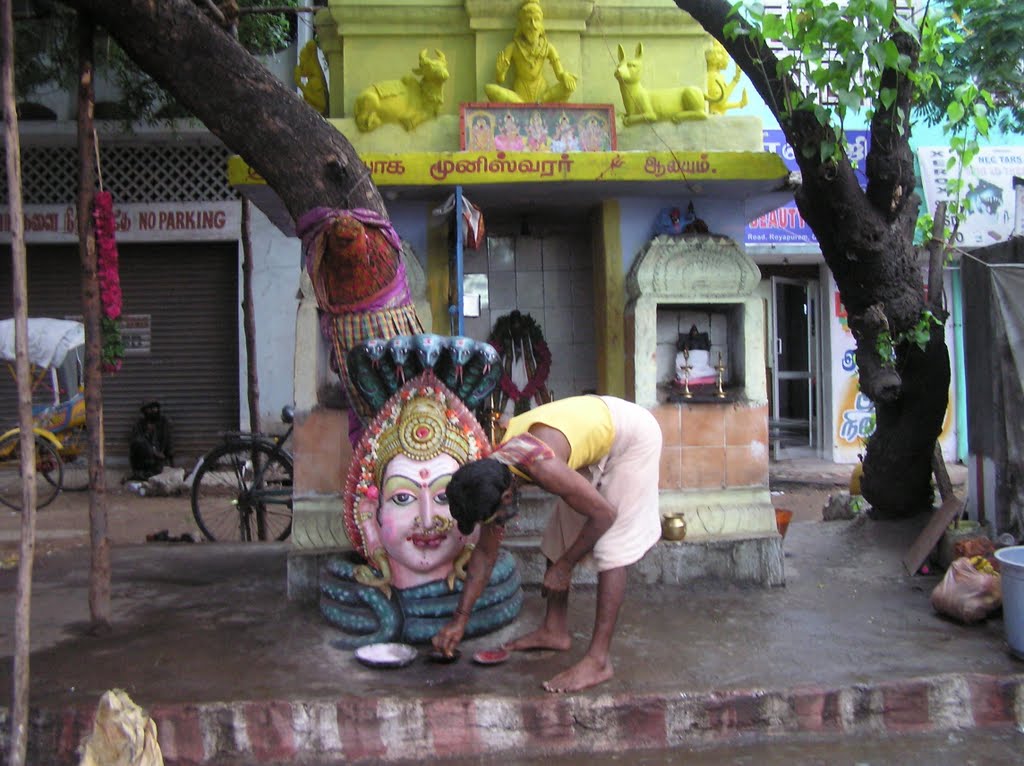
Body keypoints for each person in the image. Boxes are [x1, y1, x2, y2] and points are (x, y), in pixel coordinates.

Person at [432, 394, 663, 693]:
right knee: (558, 536)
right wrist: (459, 621)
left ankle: (598, 660)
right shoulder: (494, 471)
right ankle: (555, 630)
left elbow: (604, 515)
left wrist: (565, 567)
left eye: (495, 517)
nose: (498, 524)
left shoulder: (542, 467)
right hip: (589, 439)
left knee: (611, 548)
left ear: (505, 498)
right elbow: (486, 554)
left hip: (632, 436)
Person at [484, 0, 578, 104]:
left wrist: (565, 76)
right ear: (521, 25)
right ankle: (523, 105)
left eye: (536, 20)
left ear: (541, 25)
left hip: (543, 94)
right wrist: (500, 72)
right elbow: (500, 79)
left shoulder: (548, 47)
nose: (533, 25)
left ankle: (540, 102)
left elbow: (559, 74)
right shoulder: (513, 47)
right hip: (519, 95)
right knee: (490, 89)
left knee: (568, 87)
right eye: (528, 20)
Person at [128, 399, 174, 480]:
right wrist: (147, 433)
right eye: (149, 409)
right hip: (143, 460)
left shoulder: (163, 422)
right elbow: (135, 444)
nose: (153, 411)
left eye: (154, 408)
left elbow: (169, 442)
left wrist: (171, 464)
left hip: (158, 460)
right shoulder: (139, 424)